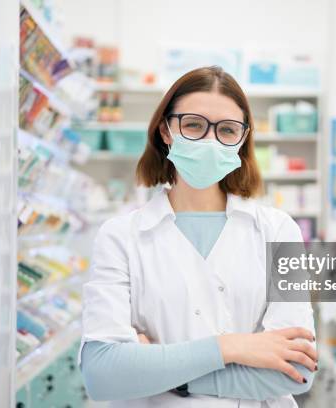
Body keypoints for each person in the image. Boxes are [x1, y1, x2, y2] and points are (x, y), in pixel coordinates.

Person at [79, 66, 317, 408]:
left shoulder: (279, 230)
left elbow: (296, 369)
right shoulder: (120, 237)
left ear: (242, 138)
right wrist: (232, 347)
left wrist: (159, 370)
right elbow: (102, 375)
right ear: (165, 129)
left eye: (227, 130)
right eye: (193, 125)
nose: (209, 141)